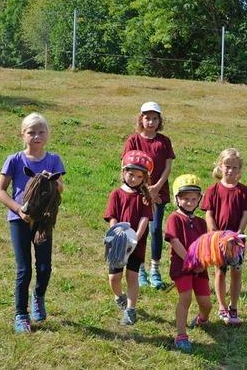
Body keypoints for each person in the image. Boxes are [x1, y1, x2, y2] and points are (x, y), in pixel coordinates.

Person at [0, 112, 66, 333]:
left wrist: (50, 181)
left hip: (44, 220)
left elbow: (61, 188)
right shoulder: (15, 159)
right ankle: (20, 314)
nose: (36, 136)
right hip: (20, 220)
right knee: (24, 269)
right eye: (31, 132)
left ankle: (38, 296)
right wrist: (18, 210)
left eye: (41, 131)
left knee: (44, 267)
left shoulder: (53, 159)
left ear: (47, 134)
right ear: (22, 134)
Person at [123, 101, 175, 289]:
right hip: (137, 193)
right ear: (141, 119)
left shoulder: (164, 141)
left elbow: (168, 166)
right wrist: (146, 190)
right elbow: (127, 167)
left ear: (159, 120)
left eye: (155, 118)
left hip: (158, 193)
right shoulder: (133, 140)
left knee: (154, 230)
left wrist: (156, 189)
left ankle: (155, 269)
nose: (151, 122)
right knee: (139, 230)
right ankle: (140, 269)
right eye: (147, 118)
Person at [201, 148, 247, 325]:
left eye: (234, 167)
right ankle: (222, 307)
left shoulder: (244, 191)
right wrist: (215, 234)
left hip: (237, 241)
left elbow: (245, 214)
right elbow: (208, 214)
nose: (230, 170)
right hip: (218, 240)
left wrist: (238, 233)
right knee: (220, 272)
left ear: (239, 170)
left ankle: (233, 307)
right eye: (227, 166)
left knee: (236, 272)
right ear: (220, 166)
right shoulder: (212, 190)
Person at [104, 150, 153, 325]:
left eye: (138, 176)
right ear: (124, 172)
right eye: (130, 174)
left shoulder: (144, 197)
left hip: (135, 245)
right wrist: (118, 234)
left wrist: (135, 238)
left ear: (144, 179)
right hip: (117, 243)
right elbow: (112, 217)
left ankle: (131, 309)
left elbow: (144, 219)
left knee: (132, 276)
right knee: (114, 278)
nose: (133, 179)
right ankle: (119, 297)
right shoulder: (116, 194)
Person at [164, 174, 212, 352]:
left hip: (200, 269)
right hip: (182, 267)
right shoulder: (174, 219)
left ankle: (202, 319)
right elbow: (175, 241)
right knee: (185, 298)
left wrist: (203, 262)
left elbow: (205, 245)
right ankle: (181, 335)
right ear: (177, 198)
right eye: (185, 199)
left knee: (206, 304)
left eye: (194, 199)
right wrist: (190, 260)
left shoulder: (200, 222)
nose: (190, 202)